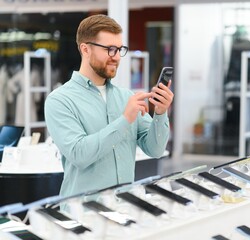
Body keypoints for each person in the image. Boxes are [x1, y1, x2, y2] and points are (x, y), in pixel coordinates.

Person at [44, 14, 174, 199]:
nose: (116, 57)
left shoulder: (126, 97)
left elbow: (155, 149)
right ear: (85, 49)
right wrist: (125, 120)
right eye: (109, 49)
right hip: (83, 214)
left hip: (126, 207)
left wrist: (161, 112)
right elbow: (79, 154)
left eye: (119, 49)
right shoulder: (59, 100)